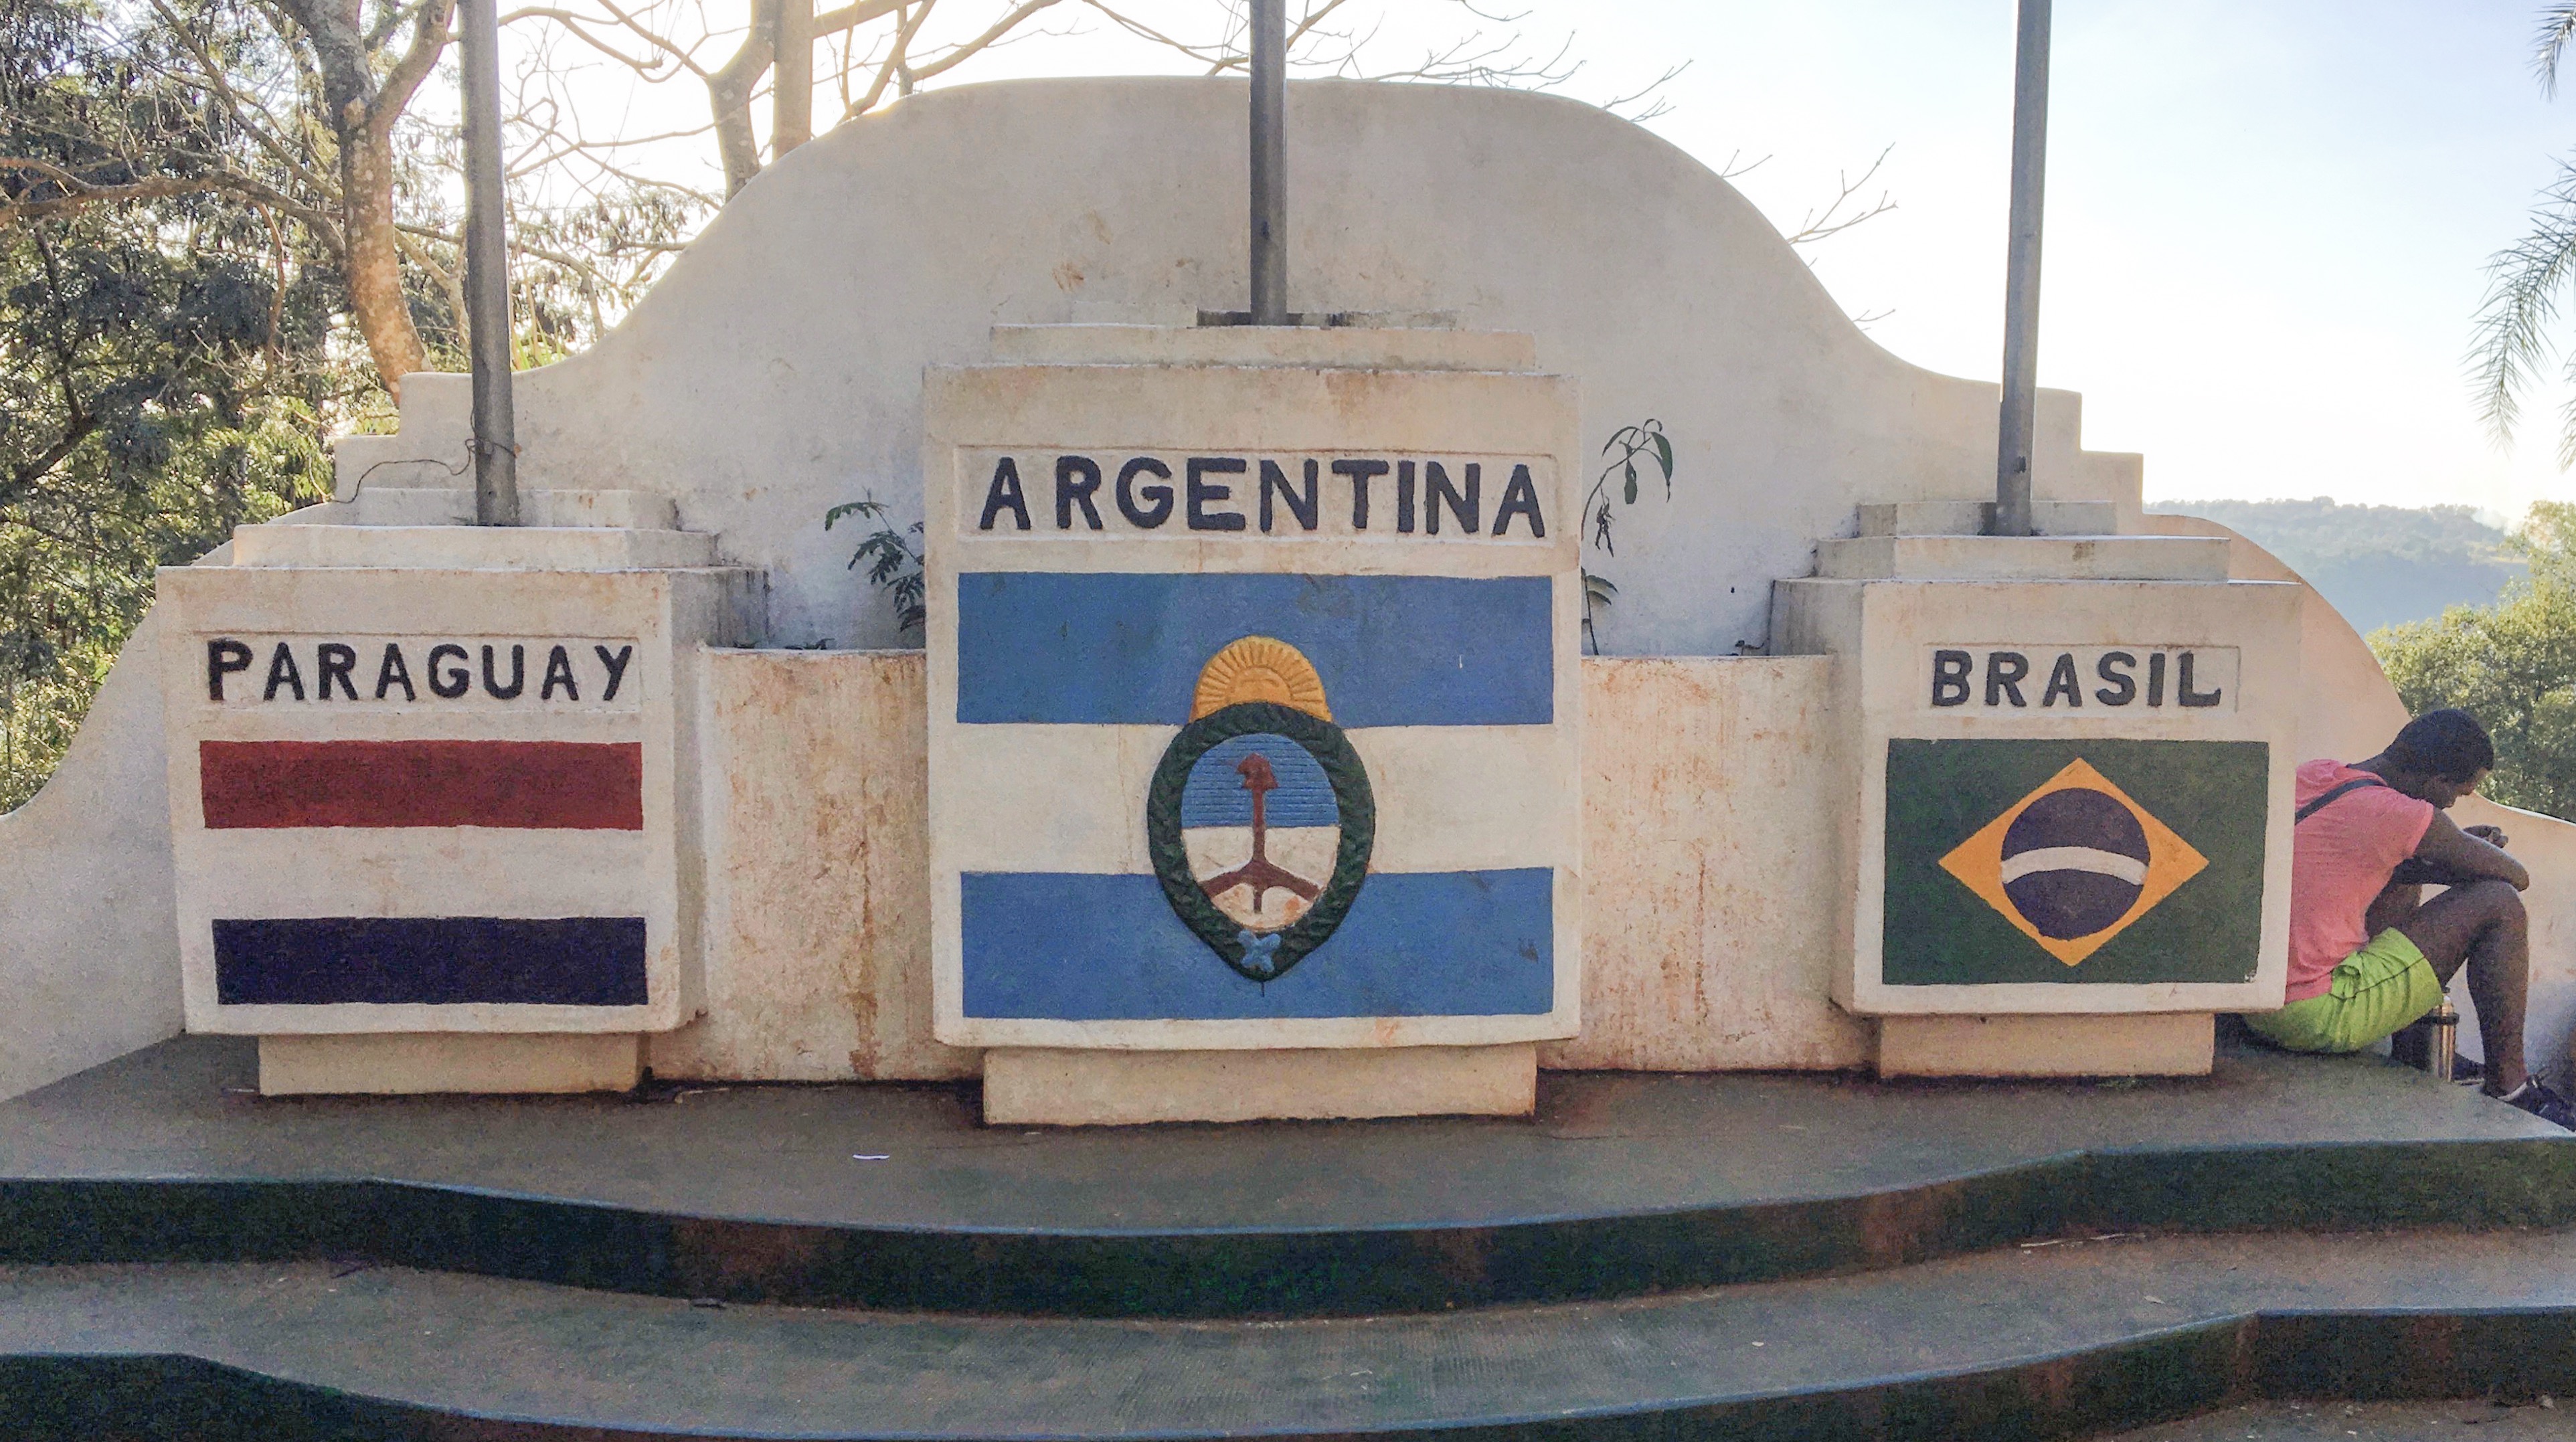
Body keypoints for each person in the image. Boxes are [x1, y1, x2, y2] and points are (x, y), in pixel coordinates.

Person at [2244, 709, 2573, 1127]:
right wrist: (2454, 844)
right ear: (2435, 782)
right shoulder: (2403, 814)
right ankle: (2511, 1085)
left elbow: (2367, 849)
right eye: (2458, 792)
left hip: (2256, 999)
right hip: (2312, 1015)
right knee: (2499, 902)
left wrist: (2438, 849)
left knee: (2404, 869)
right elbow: (2515, 876)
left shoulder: (2318, 774)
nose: (2453, 803)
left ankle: (2418, 1047)